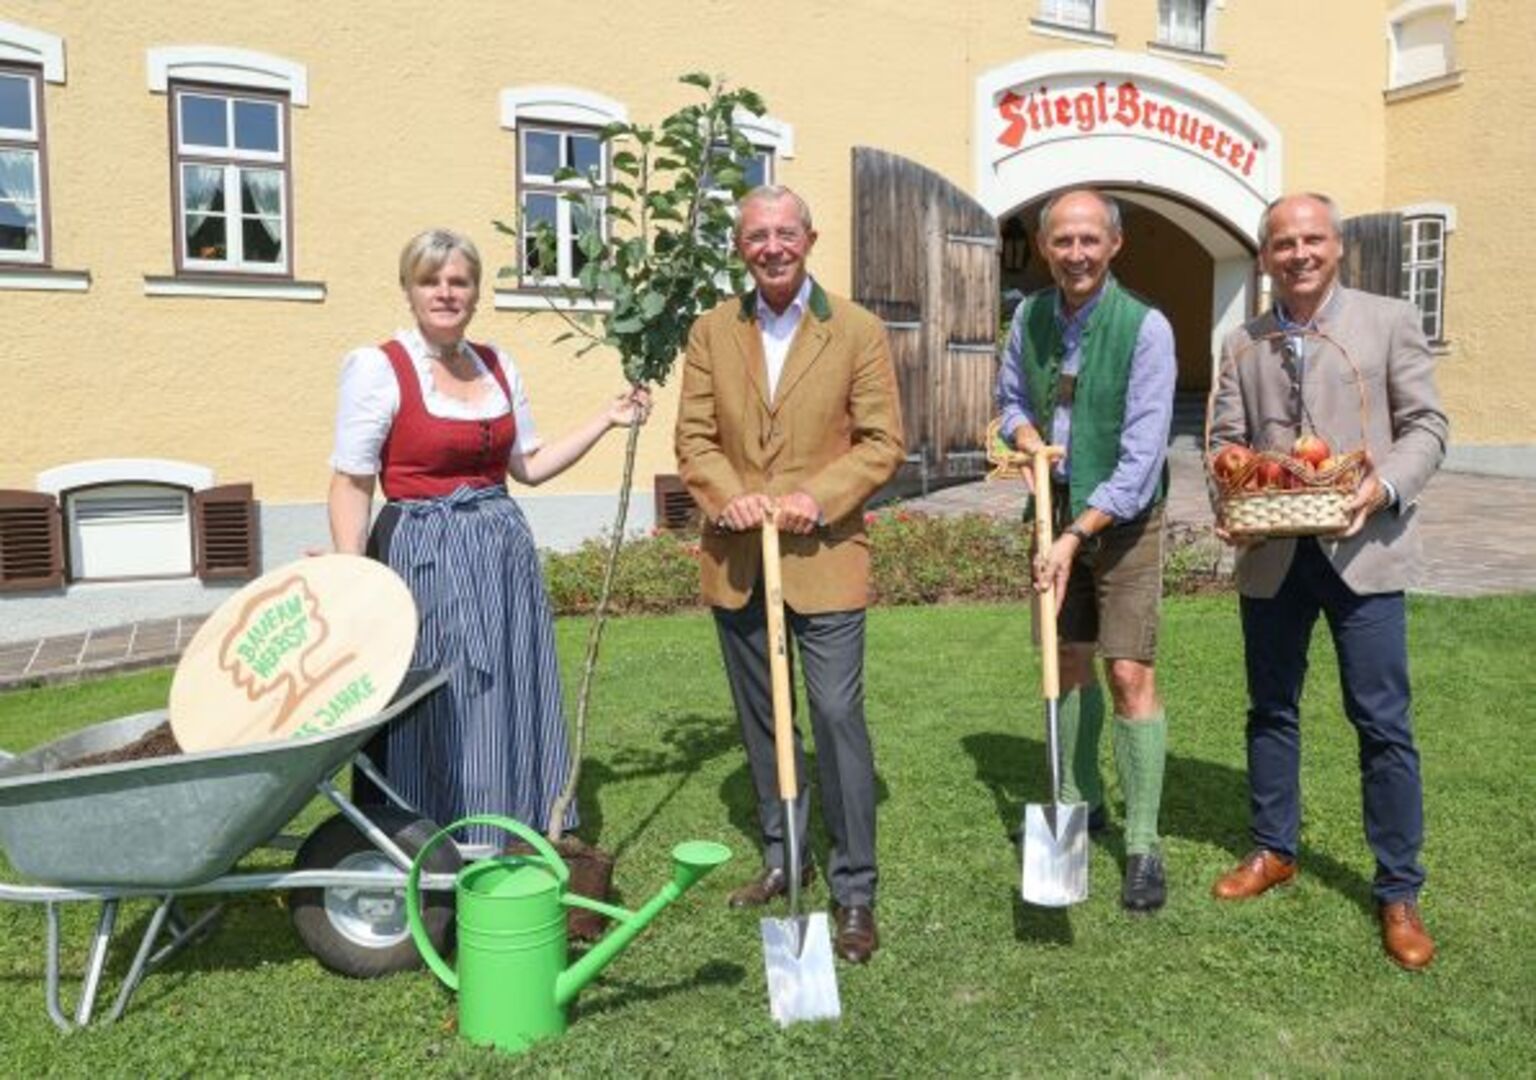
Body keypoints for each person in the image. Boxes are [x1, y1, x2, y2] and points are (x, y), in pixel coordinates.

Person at [327, 228, 649, 843]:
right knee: (442, 696)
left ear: (475, 292)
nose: (445, 293)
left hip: (501, 554)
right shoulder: (378, 367)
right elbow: (350, 482)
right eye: (431, 281)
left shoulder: (497, 364)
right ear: (408, 289)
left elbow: (528, 464)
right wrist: (353, 577)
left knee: (506, 688)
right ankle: (431, 835)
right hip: (423, 553)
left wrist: (608, 420)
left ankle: (513, 826)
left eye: (459, 281)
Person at [1208, 193, 1448, 969]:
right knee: (1270, 709)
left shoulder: (1387, 321)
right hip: (1273, 556)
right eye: (1283, 243)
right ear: (1266, 256)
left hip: (1363, 550)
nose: (1298, 254)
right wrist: (1233, 500)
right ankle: (1274, 850)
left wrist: (1381, 490)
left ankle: (1398, 890)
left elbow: (1428, 428)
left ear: (1337, 247)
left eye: (1311, 240)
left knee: (1382, 723)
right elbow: (1223, 440)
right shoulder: (1244, 340)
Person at [675, 186, 905, 963]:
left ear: (810, 237)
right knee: (765, 723)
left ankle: (854, 890)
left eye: (785, 233)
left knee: (836, 719)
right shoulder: (712, 330)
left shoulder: (857, 330)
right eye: (755, 236)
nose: (771, 247)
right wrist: (733, 498)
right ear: (740, 246)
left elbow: (880, 442)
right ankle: (784, 857)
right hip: (741, 560)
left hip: (825, 557)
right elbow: (695, 437)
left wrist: (819, 497)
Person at [995, 188, 1177, 913]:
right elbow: (1011, 399)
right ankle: (1076, 802)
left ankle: (1141, 844)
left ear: (1114, 246)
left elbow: (1140, 458)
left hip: (1124, 519)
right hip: (1054, 505)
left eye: (1089, 241)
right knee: (1065, 660)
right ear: (1045, 247)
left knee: (1128, 670)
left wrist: (1077, 535)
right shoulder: (1029, 316)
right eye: (1062, 241)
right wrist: (1026, 438)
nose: (1075, 254)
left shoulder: (1147, 328)